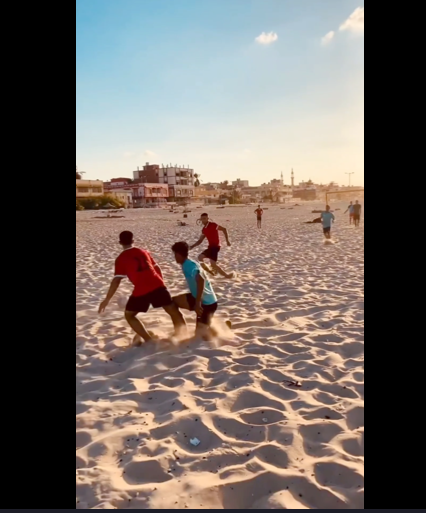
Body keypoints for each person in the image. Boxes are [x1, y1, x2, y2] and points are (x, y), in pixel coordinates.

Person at [98, 231, 186, 344]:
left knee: (129, 315)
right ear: (133, 241)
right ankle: (183, 336)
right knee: (173, 311)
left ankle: (149, 340)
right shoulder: (143, 252)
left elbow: (116, 280)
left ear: (120, 242)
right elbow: (157, 267)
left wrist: (107, 299)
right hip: (157, 284)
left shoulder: (120, 258)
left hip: (141, 290)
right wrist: (162, 283)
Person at [171, 241, 219, 339]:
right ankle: (180, 330)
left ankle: (213, 330)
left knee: (200, 336)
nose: (174, 257)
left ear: (179, 254)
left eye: (175, 254)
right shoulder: (189, 263)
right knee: (172, 302)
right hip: (198, 298)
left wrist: (198, 304)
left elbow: (200, 279)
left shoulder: (189, 265)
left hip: (207, 304)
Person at [190, 213, 234, 279]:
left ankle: (226, 276)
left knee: (213, 264)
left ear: (207, 218)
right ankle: (211, 272)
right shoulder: (204, 229)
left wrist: (227, 241)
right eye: (202, 219)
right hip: (210, 247)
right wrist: (192, 246)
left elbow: (224, 229)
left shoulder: (213, 225)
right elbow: (200, 240)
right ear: (200, 220)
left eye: (205, 218)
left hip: (216, 247)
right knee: (200, 258)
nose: (203, 220)